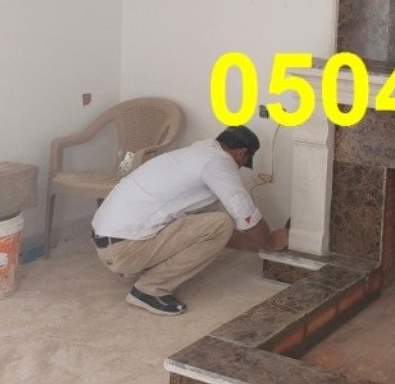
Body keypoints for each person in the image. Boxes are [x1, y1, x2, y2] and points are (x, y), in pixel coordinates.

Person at [91, 125, 288, 316]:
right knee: (221, 223)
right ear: (241, 153)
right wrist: (271, 243)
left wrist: (259, 247)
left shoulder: (193, 155)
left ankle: (138, 266)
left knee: (216, 224)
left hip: (108, 243)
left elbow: (209, 231)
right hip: (124, 250)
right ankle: (149, 290)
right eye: (243, 162)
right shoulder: (218, 162)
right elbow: (246, 216)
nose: (239, 168)